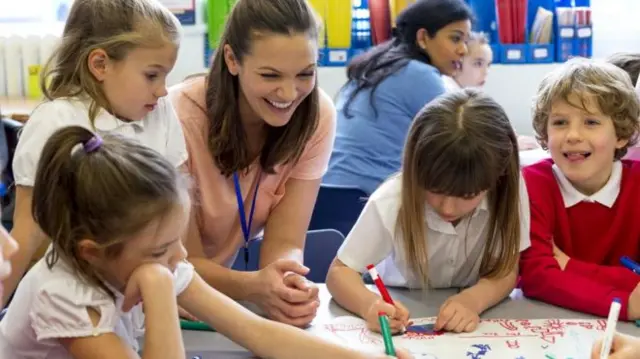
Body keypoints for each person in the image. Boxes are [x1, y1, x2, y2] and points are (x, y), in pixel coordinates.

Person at [0, 126, 413, 359]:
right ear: (92, 251)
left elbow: (260, 333)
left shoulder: (146, 257)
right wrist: (161, 291)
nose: (180, 256)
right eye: (162, 250)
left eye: (174, 241)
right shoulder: (65, 294)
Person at [2, 0, 188, 307]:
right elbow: (29, 234)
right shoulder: (56, 121)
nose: (162, 90)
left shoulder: (160, 112)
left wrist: (175, 281)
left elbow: (174, 214)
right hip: (76, 297)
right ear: (100, 64)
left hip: (143, 288)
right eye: (152, 75)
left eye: (165, 76)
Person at [170, 0, 334, 327]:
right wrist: (254, 287)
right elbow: (180, 262)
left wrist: (287, 283)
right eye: (270, 75)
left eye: (306, 74)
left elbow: (286, 242)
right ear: (232, 60)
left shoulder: (318, 116)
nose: (289, 92)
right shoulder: (176, 116)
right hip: (163, 294)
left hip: (217, 297)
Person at [326, 89, 531, 334]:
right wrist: (370, 305)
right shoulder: (392, 201)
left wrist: (474, 300)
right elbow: (340, 273)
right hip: (400, 303)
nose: (447, 208)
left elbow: (507, 270)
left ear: (497, 178)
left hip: (475, 320)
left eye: (466, 196)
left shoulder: (510, 191)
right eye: (434, 190)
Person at [519, 59, 640, 321]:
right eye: (560, 122)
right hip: (549, 325)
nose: (572, 135)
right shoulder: (531, 184)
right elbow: (535, 277)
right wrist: (624, 302)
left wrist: (569, 266)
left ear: (621, 134)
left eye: (591, 122)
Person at [322, 0, 473, 195]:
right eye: (455, 39)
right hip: (373, 198)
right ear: (423, 38)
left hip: (326, 196)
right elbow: (462, 143)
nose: (463, 50)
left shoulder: (374, 67)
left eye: (466, 41)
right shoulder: (419, 74)